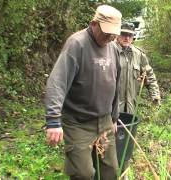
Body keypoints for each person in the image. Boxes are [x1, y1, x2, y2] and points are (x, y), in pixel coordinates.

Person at [44, 5, 122, 180]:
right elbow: (57, 82)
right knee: (83, 174)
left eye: (113, 34)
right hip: (78, 122)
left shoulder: (113, 48)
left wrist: (114, 117)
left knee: (111, 172)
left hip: (104, 122)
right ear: (94, 23)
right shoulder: (77, 44)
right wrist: (53, 121)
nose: (110, 37)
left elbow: (115, 83)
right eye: (106, 32)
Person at [115, 22, 160, 174]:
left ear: (133, 37)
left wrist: (154, 94)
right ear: (117, 34)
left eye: (130, 35)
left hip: (131, 107)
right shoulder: (109, 51)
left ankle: (124, 170)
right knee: (111, 141)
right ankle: (108, 170)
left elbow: (150, 76)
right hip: (113, 108)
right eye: (123, 34)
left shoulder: (139, 55)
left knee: (127, 142)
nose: (127, 37)